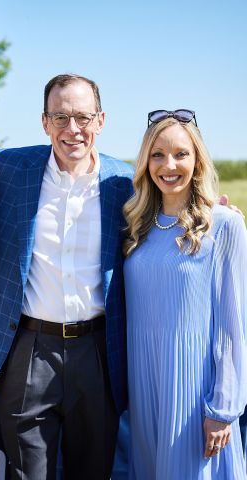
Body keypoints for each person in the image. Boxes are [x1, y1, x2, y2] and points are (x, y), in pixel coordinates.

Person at [0, 74, 134, 479]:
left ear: (101, 121)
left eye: (82, 117)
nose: (72, 129)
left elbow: (170, 220)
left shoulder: (126, 181)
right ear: (44, 122)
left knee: (93, 471)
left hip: (98, 349)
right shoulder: (8, 169)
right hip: (28, 346)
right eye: (60, 117)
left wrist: (218, 217)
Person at [123, 110, 247, 479]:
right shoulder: (135, 225)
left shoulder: (224, 224)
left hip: (194, 392)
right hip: (144, 389)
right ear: (146, 162)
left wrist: (222, 408)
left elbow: (233, 323)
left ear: (198, 160)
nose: (169, 165)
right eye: (158, 154)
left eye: (181, 153)